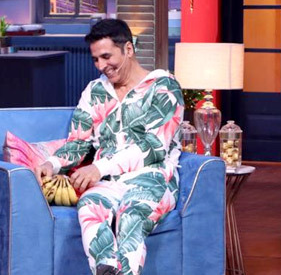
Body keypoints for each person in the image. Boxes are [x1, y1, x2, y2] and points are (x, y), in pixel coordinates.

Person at [34, 19, 184, 275]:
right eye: (95, 59)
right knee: (89, 206)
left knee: (131, 217)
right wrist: (52, 163)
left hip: (154, 178)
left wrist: (98, 168)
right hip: (108, 183)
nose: (101, 66)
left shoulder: (163, 87)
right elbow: (78, 141)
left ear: (128, 49)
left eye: (106, 56)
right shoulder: (94, 91)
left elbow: (154, 147)